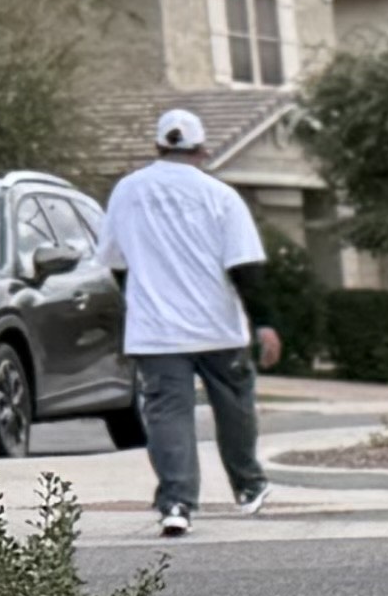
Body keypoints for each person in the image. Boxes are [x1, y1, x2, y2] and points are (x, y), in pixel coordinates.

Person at [97, 109, 277, 538]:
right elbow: (245, 266)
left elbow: (113, 261)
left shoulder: (127, 191)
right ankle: (249, 485)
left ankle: (177, 502)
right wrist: (266, 323)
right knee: (234, 408)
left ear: (159, 146)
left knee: (167, 415)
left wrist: (140, 297)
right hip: (218, 328)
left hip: (156, 331)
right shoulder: (221, 195)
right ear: (202, 150)